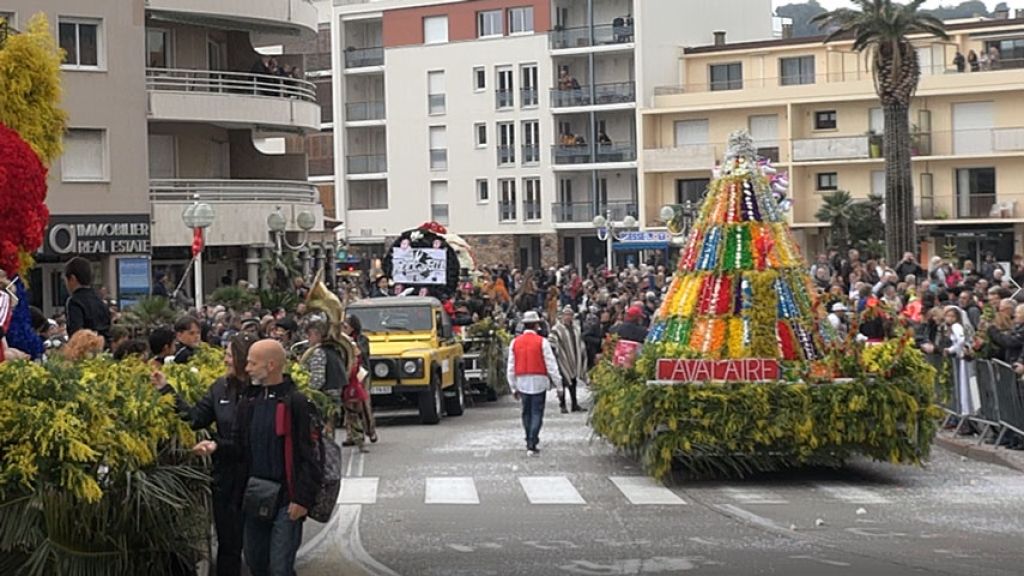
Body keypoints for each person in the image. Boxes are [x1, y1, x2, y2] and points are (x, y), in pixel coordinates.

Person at [156, 333, 257, 576]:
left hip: (257, 479)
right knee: (228, 546)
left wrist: (218, 446)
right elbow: (194, 418)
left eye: (229, 355)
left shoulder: (262, 390)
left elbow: (254, 440)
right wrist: (165, 389)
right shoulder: (219, 388)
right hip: (225, 480)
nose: (225, 360)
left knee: (258, 550)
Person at [226, 340, 320, 576]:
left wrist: (302, 499)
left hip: (287, 500)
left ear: (270, 365)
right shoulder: (248, 402)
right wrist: (215, 447)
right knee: (256, 563)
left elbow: (311, 455)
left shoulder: (296, 403)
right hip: (254, 496)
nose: (246, 368)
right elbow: (238, 447)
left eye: (252, 363)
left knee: (280, 568)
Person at [507, 310, 562, 456]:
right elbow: (551, 364)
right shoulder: (542, 342)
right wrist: (558, 384)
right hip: (539, 380)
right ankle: (533, 440)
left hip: (522, 380)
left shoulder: (515, 342)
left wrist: (512, 387)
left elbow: (511, 367)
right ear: (537, 325)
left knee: (526, 412)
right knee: (537, 412)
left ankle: (528, 439)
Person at [344, 314, 378, 446]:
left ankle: (370, 430)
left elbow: (362, 353)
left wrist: (350, 343)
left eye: (346, 325)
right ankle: (352, 434)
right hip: (347, 373)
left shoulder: (362, 339)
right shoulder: (341, 339)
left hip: (361, 373)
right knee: (347, 404)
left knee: (363, 403)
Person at [63, 257, 111, 342]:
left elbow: (76, 334)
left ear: (73, 279)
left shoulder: (74, 301)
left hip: (85, 349)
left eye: (66, 280)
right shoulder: (100, 301)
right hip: (103, 348)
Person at [550, 307, 587, 414]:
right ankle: (562, 404)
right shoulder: (557, 329)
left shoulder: (576, 328)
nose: (568, 317)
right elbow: (552, 341)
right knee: (562, 382)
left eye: (570, 315)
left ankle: (574, 403)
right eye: (566, 315)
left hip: (574, 358)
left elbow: (580, 341)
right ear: (562, 316)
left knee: (573, 381)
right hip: (562, 359)